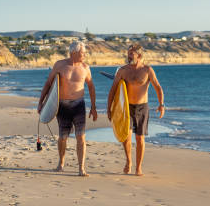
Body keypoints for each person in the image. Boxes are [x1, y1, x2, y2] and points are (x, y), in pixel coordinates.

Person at [38, 41, 97, 177]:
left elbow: (91, 87)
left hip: (79, 105)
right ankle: (61, 163)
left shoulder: (85, 68)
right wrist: (41, 103)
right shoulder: (60, 65)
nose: (85, 55)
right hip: (62, 105)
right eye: (83, 53)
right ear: (74, 53)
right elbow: (48, 83)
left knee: (80, 137)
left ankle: (81, 168)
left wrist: (93, 108)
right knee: (63, 137)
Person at [107, 43, 164, 176]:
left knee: (140, 139)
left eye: (131, 54)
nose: (128, 56)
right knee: (126, 137)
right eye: (128, 53)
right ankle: (128, 162)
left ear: (139, 55)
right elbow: (113, 90)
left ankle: (138, 167)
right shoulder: (122, 70)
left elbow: (158, 87)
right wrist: (109, 108)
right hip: (127, 107)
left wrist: (161, 104)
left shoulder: (147, 70)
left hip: (142, 107)